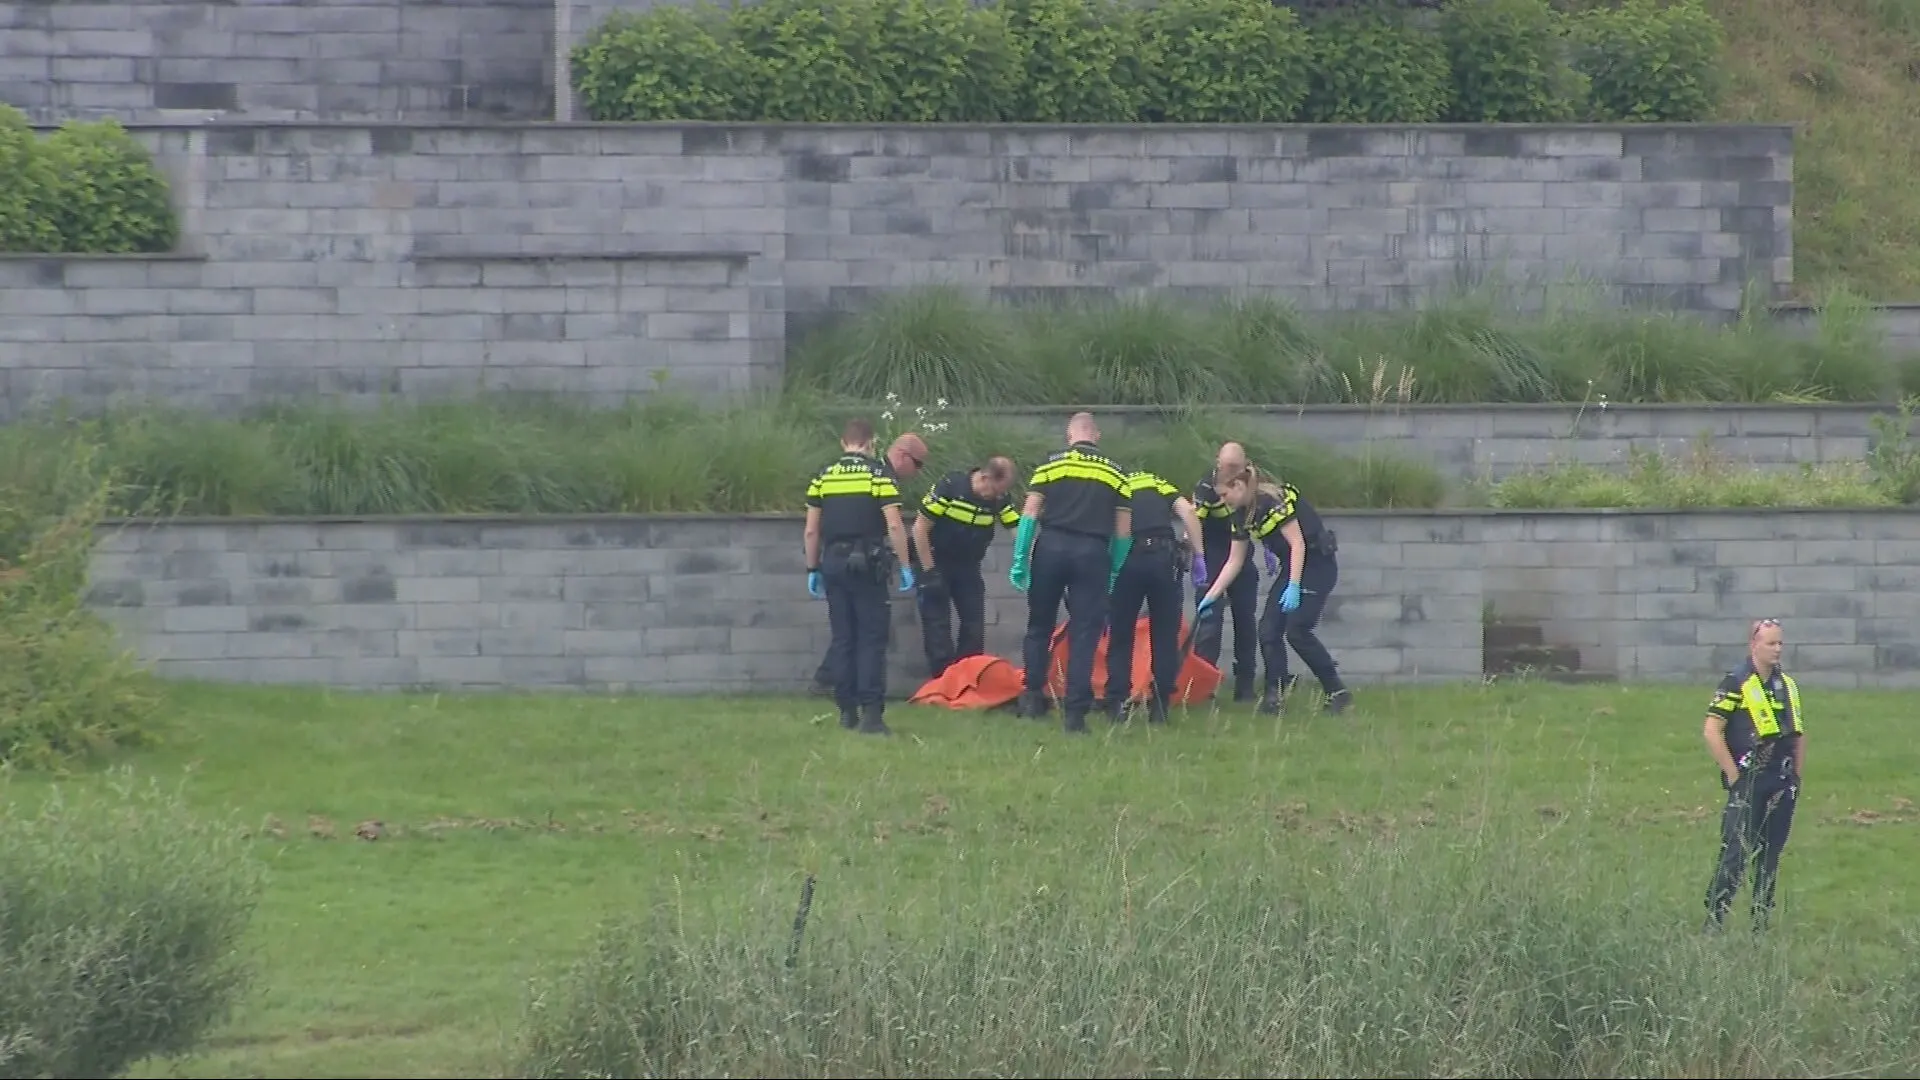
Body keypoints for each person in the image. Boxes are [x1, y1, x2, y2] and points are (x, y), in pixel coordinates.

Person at [1008, 412, 1132, 733]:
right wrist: (1115, 569)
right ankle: (1075, 714)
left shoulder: (1051, 464)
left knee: (1039, 625)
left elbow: (1030, 512)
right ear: (1097, 435)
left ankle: (1033, 697)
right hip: (1092, 553)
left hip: (1050, 547)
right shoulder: (1116, 472)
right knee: (1085, 634)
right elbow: (1123, 531)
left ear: (1069, 435)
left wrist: (1021, 557)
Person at [803, 419, 916, 735]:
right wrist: (906, 566)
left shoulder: (822, 477)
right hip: (868, 564)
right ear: (871, 444)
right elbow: (894, 526)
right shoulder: (878, 475)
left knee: (843, 637)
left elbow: (812, 530)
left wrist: (813, 569)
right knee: (871, 638)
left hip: (834, 562)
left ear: (843, 443)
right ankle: (872, 716)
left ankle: (846, 711)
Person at [1212, 464, 1350, 716]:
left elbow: (1298, 544)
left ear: (1239, 486)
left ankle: (1337, 692)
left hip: (1316, 564)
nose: (1222, 501)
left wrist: (1294, 586)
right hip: (1294, 566)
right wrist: (1212, 595)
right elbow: (1235, 560)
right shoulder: (1240, 514)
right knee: (1267, 630)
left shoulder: (1270, 501)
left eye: (1224, 494)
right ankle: (1274, 696)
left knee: (1297, 631)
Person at [1702, 618, 1806, 934]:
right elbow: (1711, 730)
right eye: (1770, 643)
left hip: (1781, 780)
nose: (1776, 649)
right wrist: (1734, 776)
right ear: (1754, 645)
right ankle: (1714, 920)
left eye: (1780, 644)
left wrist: (1797, 777)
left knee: (1770, 854)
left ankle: (1760, 923)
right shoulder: (1735, 681)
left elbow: (1798, 734)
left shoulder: (1787, 685)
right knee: (1735, 851)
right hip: (1748, 780)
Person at [1102, 469, 1206, 725]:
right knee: (1165, 635)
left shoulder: (1116, 484)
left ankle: (1117, 703)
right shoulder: (1157, 482)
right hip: (1163, 560)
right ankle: (1159, 707)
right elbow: (1189, 512)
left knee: (1121, 634)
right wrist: (1199, 556)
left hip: (1127, 559)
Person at [910, 455, 1019, 679]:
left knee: (974, 623)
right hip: (936, 561)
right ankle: (942, 680)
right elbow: (920, 528)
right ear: (985, 477)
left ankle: (969, 677)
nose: (999, 496)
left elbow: (1017, 529)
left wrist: (1028, 557)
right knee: (937, 624)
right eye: (997, 490)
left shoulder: (999, 499)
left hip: (968, 565)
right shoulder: (951, 487)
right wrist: (930, 572)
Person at [1189, 441, 1274, 703]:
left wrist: (1269, 548)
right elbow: (1194, 522)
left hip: (1241, 554)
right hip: (1214, 553)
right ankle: (1204, 686)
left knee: (1245, 621)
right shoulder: (1207, 486)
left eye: (1236, 467)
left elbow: (1266, 516)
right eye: (1227, 466)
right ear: (1218, 463)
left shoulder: (1254, 483)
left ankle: (1245, 686)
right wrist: (1197, 557)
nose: (1231, 471)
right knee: (1210, 622)